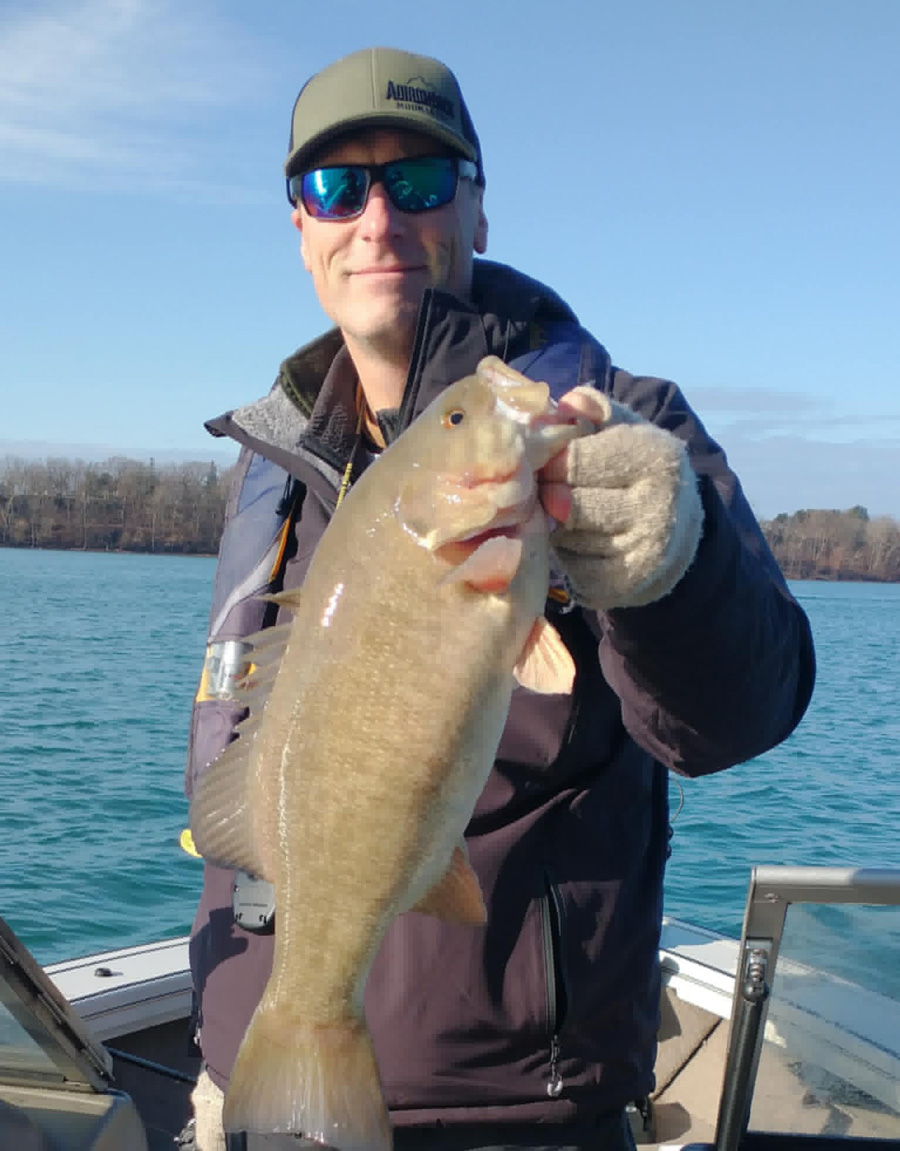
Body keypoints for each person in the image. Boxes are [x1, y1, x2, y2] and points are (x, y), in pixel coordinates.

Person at [182, 46, 815, 1151]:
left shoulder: (608, 424)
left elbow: (743, 709)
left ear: (477, 209)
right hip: (256, 1080)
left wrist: (670, 566)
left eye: (420, 181)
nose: (377, 219)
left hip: (517, 1112)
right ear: (301, 230)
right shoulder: (270, 461)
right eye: (336, 188)